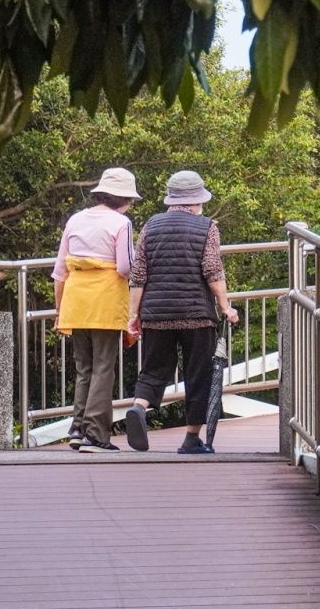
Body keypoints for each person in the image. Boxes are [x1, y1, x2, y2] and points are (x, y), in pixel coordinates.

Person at [124, 170, 239, 454]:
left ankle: (139, 407)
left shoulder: (151, 225)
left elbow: (138, 274)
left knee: (154, 369)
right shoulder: (206, 227)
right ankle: (191, 439)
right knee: (197, 374)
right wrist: (225, 306)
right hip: (196, 316)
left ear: (171, 199)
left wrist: (134, 315)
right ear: (197, 200)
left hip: (156, 314)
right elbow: (212, 270)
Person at [52, 168, 139, 453]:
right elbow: (126, 266)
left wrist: (59, 310)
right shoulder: (121, 223)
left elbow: (60, 271)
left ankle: (77, 429)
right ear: (124, 199)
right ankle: (96, 434)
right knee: (104, 368)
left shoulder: (76, 219)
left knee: (84, 368)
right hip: (105, 300)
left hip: (75, 300)